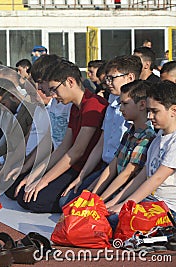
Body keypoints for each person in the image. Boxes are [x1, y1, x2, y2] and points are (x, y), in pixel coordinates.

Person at [15, 59, 108, 213]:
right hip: (72, 165)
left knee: (36, 200)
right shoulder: (74, 107)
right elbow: (63, 146)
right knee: (23, 192)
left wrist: (44, 180)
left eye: (54, 89)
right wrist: (35, 175)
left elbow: (77, 151)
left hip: (85, 168)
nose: (52, 95)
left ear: (70, 82)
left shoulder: (93, 105)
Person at [60, 55, 142, 207]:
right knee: (67, 202)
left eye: (112, 78)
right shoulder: (112, 103)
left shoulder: (135, 111)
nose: (107, 83)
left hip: (120, 170)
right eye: (107, 78)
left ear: (130, 77)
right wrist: (82, 176)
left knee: (81, 206)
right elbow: (100, 144)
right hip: (106, 167)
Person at [107, 81, 176, 226]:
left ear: (173, 111)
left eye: (155, 111)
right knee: (107, 215)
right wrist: (114, 202)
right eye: (149, 111)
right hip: (152, 202)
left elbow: (156, 179)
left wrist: (124, 205)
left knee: (116, 221)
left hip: (169, 209)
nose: (150, 116)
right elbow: (141, 176)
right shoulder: (158, 138)